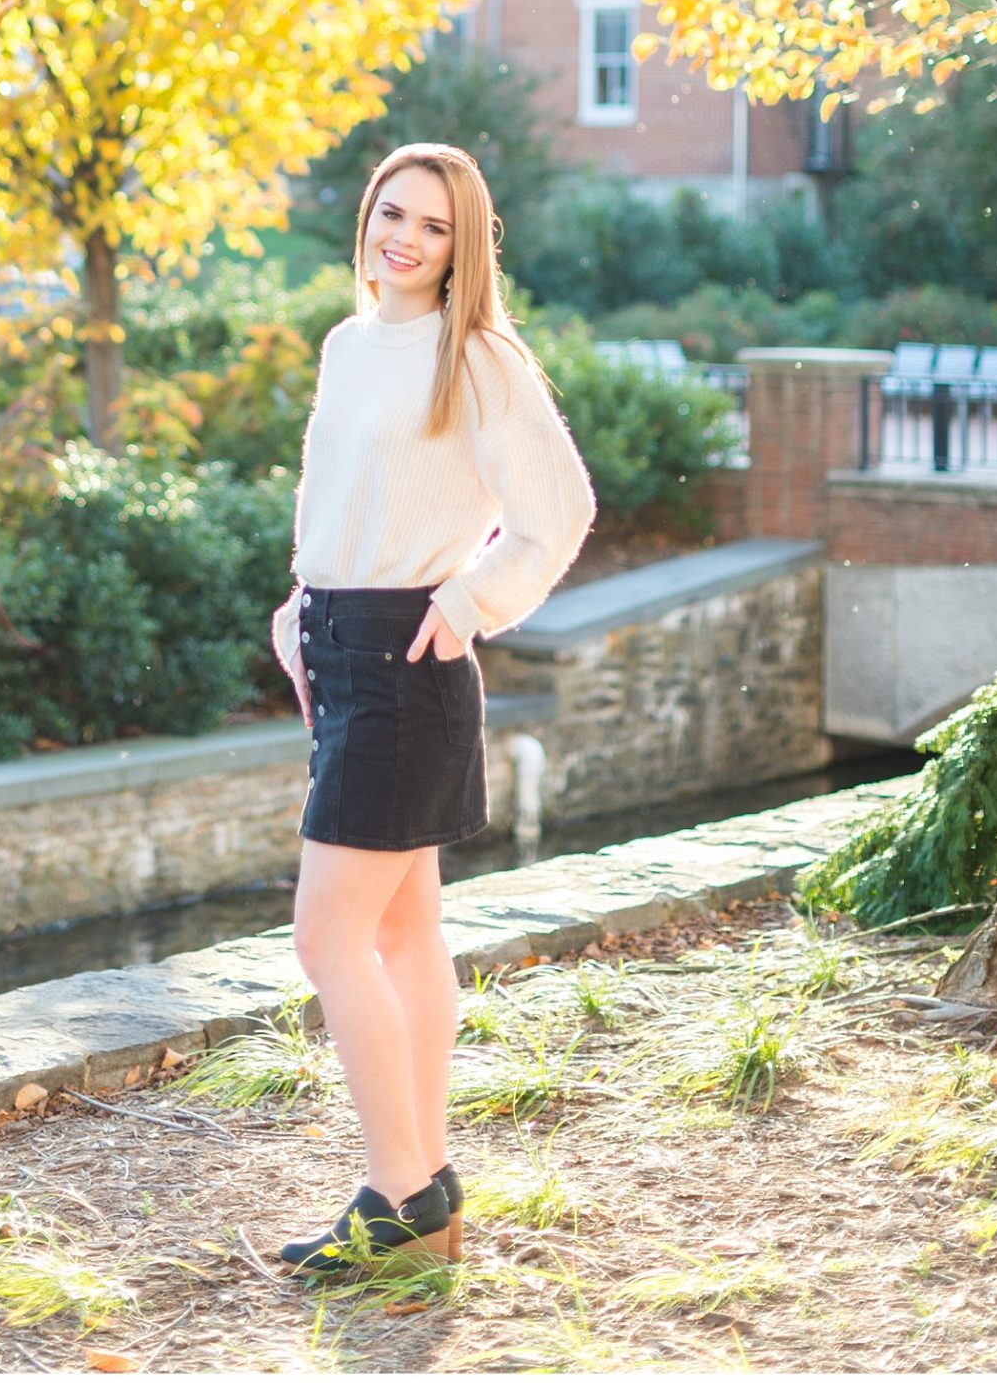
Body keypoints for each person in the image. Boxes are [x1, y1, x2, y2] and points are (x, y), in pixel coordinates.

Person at [269, 141, 596, 1275]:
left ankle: (400, 1189)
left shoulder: (480, 359)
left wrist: (471, 598)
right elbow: (345, 497)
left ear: (464, 247)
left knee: (328, 935)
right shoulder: (349, 345)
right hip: (345, 645)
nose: (403, 237)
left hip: (411, 661)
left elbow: (557, 511)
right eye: (390, 213)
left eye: (434, 224)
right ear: (366, 219)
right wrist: (301, 601)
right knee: (402, 932)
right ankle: (429, 1185)